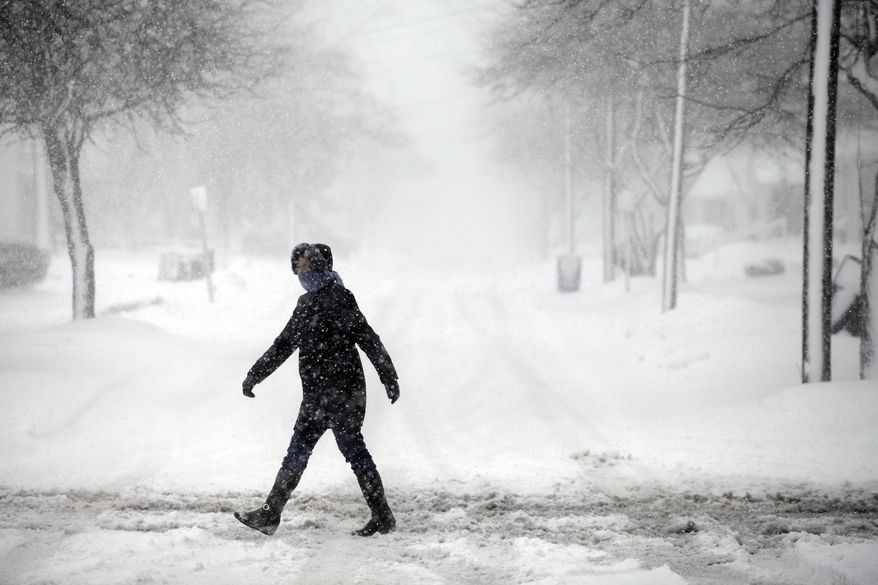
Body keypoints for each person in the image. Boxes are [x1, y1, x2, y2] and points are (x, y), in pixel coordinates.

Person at [234, 242, 401, 537]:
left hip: (341, 395)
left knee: (342, 453)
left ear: (320, 268)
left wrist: (389, 377)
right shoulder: (325, 300)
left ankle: (272, 514)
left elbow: (367, 338)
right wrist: (255, 375)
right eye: (297, 268)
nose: (301, 273)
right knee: (306, 453)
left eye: (305, 267)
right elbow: (284, 345)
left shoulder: (329, 300)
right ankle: (272, 514)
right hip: (321, 396)